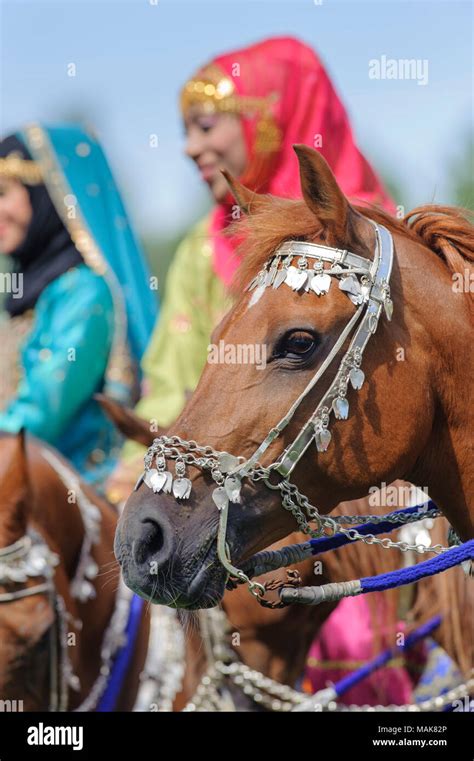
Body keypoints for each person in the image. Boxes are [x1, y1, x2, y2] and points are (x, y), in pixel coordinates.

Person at [106, 35, 394, 501]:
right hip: (230, 488)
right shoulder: (201, 248)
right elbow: (171, 383)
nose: (188, 148)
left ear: (266, 121)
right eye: (186, 132)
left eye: (204, 126)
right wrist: (141, 475)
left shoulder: (373, 243)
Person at [0, 124, 157, 487]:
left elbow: (40, 412)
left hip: (76, 502)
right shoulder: (27, 294)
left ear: (45, 191)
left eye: (3, 192)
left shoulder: (83, 291)